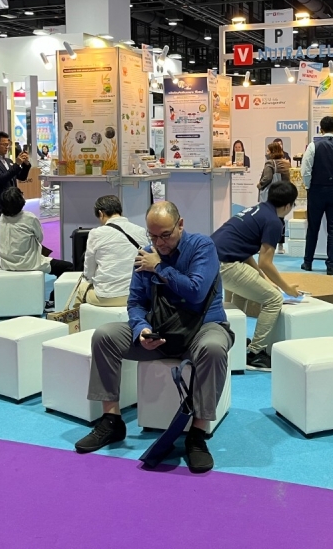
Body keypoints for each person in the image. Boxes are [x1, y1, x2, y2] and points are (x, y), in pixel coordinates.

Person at [74, 202, 232, 474]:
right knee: (105, 335)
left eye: (165, 235)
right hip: (160, 333)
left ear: (180, 224)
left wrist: (159, 267)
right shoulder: (145, 254)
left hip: (202, 328)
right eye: (153, 236)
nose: (159, 243)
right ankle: (111, 420)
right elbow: (135, 302)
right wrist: (142, 329)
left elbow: (196, 291)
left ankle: (197, 433)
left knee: (214, 348)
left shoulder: (202, 247)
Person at [211, 181, 301, 370]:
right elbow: (265, 263)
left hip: (212, 260)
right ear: (288, 206)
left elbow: (244, 250)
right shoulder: (274, 222)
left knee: (242, 294)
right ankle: (255, 352)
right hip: (226, 264)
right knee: (274, 299)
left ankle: (235, 338)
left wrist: (261, 278)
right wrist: (286, 288)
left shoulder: (258, 209)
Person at [71, 194, 146, 311]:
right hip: (136, 294)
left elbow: (89, 271)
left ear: (101, 213)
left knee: (81, 290)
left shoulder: (96, 233)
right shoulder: (140, 231)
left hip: (106, 296)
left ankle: (75, 320)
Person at [300, 116, 333, 275]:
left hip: (316, 192)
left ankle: (308, 262)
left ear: (321, 129)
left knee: (313, 228)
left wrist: (309, 187)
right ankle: (330, 266)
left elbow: (305, 171)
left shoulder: (313, 146)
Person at [0, 187, 72, 280]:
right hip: (28, 263)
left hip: (5, 263)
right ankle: (57, 289)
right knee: (68, 267)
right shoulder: (29, 217)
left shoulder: (2, 218)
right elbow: (40, 237)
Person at [0, 131, 31, 254]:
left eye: (8, 144)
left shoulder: (8, 161)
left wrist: (26, 165)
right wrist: (17, 164)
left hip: (14, 203)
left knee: (15, 235)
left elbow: (22, 177)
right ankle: (0, 261)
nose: (7, 147)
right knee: (2, 236)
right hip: (0, 205)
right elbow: (1, 178)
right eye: (4, 144)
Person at [258, 142, 293, 254]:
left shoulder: (270, 163)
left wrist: (260, 184)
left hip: (272, 194)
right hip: (284, 194)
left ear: (272, 151)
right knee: (280, 219)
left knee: (266, 219)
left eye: (268, 150)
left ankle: (265, 245)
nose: (266, 152)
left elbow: (267, 178)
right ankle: (281, 246)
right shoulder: (286, 163)